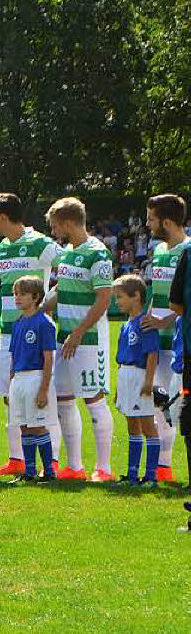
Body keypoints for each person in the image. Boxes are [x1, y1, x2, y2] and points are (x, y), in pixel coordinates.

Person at [0, 192, 62, 477]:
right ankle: (17, 460)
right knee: (10, 398)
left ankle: (50, 462)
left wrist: (46, 304)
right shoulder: (4, 246)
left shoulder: (41, 243)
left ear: (2, 217)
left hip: (35, 331)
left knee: (41, 401)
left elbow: (67, 270)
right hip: (8, 331)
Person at [43, 197, 114, 482]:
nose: (53, 231)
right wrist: (38, 311)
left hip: (88, 338)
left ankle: (105, 468)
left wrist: (80, 331)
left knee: (93, 399)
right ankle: (74, 467)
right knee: (63, 399)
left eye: (55, 226)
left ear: (68, 223)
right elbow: (62, 288)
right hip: (64, 337)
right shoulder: (67, 253)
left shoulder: (98, 253)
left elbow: (104, 298)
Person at [141, 193, 187, 483]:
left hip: (179, 343)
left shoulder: (189, 251)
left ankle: (165, 465)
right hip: (156, 342)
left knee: (174, 406)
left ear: (167, 222)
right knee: (157, 402)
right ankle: (162, 467)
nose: (147, 224)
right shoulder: (158, 251)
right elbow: (158, 295)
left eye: (151, 219)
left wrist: (165, 321)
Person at [7, 276, 58, 483]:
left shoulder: (44, 322)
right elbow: (13, 356)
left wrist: (44, 389)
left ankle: (49, 471)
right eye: (16, 294)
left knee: (37, 426)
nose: (17, 298)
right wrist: (12, 383)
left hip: (35, 377)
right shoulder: (18, 322)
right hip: (19, 379)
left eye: (23, 294)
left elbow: (48, 358)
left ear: (36, 297)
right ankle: (29, 471)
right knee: (23, 425)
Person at [112, 274, 161, 487]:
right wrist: (118, 388)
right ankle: (132, 475)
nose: (117, 302)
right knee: (132, 425)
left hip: (139, 376)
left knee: (148, 426)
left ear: (136, 296)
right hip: (125, 376)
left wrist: (149, 382)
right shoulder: (126, 325)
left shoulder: (145, 323)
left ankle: (151, 476)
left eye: (120, 297)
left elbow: (152, 355)